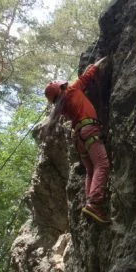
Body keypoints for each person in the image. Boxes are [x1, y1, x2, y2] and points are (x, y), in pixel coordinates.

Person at [42, 57, 111, 224]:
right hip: (89, 130)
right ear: (62, 88)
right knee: (102, 164)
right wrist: (99, 62)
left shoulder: (62, 106)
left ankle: (89, 203)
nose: (67, 86)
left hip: (79, 137)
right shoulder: (72, 91)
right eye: (64, 86)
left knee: (90, 170)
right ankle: (94, 204)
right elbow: (87, 77)